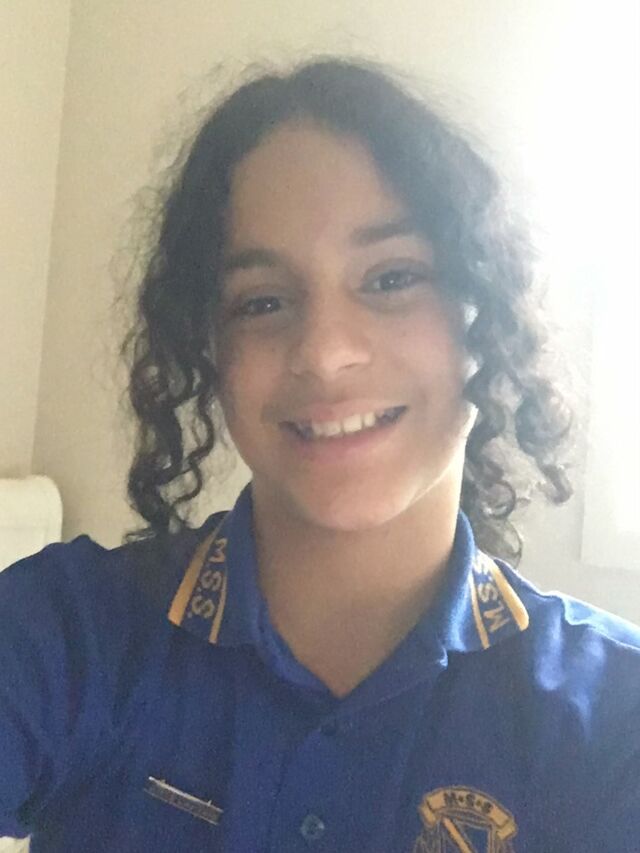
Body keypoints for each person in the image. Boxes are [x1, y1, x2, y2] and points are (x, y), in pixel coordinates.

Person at [1, 55, 638, 853]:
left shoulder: (615, 717)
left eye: (392, 278)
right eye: (263, 301)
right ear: (209, 351)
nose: (326, 352)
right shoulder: (67, 632)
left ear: (485, 315)